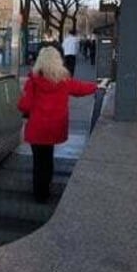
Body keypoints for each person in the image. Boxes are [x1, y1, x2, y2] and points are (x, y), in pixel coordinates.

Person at [17, 46, 99, 203]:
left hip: (37, 127)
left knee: (38, 161)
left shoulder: (33, 81)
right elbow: (80, 89)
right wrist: (96, 87)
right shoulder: (63, 80)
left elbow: (25, 106)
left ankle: (38, 194)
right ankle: (46, 191)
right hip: (54, 127)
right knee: (48, 160)